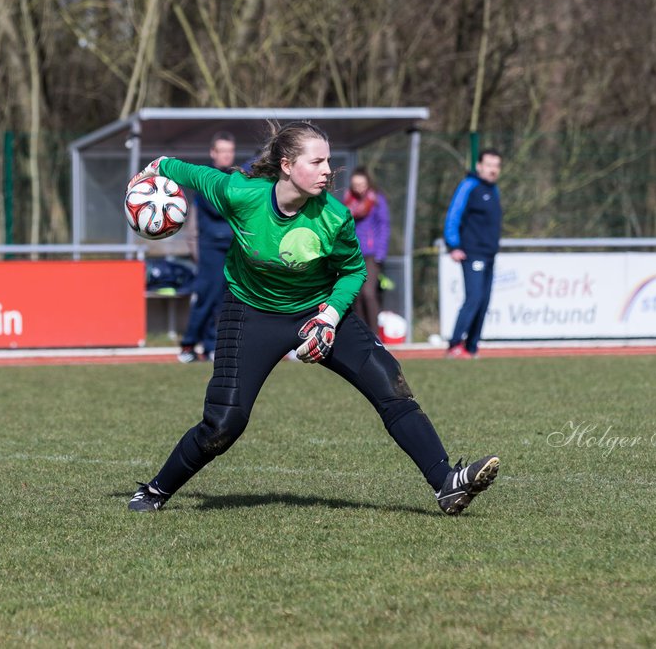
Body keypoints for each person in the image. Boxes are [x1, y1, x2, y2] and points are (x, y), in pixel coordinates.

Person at [126, 121, 499, 516]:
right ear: (287, 165)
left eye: (329, 161)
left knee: (390, 385)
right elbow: (190, 173)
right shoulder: (240, 194)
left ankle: (447, 483)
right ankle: (154, 491)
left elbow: (354, 271)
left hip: (317, 309)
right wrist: (157, 166)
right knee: (224, 424)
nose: (327, 170)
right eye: (317, 161)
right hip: (251, 312)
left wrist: (330, 316)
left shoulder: (334, 217)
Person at [178, 132, 237, 363]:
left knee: (225, 301)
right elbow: (218, 208)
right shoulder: (205, 178)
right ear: (213, 153)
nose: (226, 155)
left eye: (230, 151)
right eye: (222, 151)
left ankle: (213, 346)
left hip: (233, 249)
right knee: (206, 297)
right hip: (210, 249)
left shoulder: (236, 178)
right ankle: (188, 345)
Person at [442, 149, 503, 359]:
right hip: (471, 252)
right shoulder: (469, 185)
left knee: (484, 300)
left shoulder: (493, 190)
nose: (492, 169)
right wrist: (453, 245)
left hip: (489, 254)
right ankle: (454, 345)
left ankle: (472, 346)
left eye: (496, 165)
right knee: (474, 298)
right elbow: (453, 215)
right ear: (479, 166)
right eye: (489, 165)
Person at [343, 166, 389, 335]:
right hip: (354, 254)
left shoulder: (377, 201)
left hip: (371, 254)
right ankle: (362, 334)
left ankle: (374, 334)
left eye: (361, 184)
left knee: (368, 293)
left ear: (368, 183)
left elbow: (384, 227)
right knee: (356, 294)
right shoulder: (347, 202)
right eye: (355, 185)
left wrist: (380, 253)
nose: (358, 188)